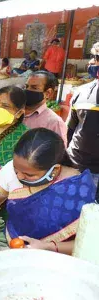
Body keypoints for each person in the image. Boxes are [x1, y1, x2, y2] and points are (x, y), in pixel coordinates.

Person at [0, 128, 96, 255]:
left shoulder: (78, 189)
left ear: (55, 170)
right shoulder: (12, 170)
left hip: (57, 260)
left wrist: (49, 247)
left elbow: (91, 242)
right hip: (14, 248)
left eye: (29, 175)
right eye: (17, 170)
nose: (19, 176)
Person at [67, 42, 99, 201]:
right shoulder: (81, 92)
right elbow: (70, 130)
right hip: (78, 167)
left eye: (97, 58)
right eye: (93, 57)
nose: (92, 62)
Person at [23, 70, 67, 144]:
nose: (27, 90)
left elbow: (58, 153)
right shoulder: (15, 112)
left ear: (48, 93)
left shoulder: (54, 122)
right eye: (26, 86)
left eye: (34, 88)